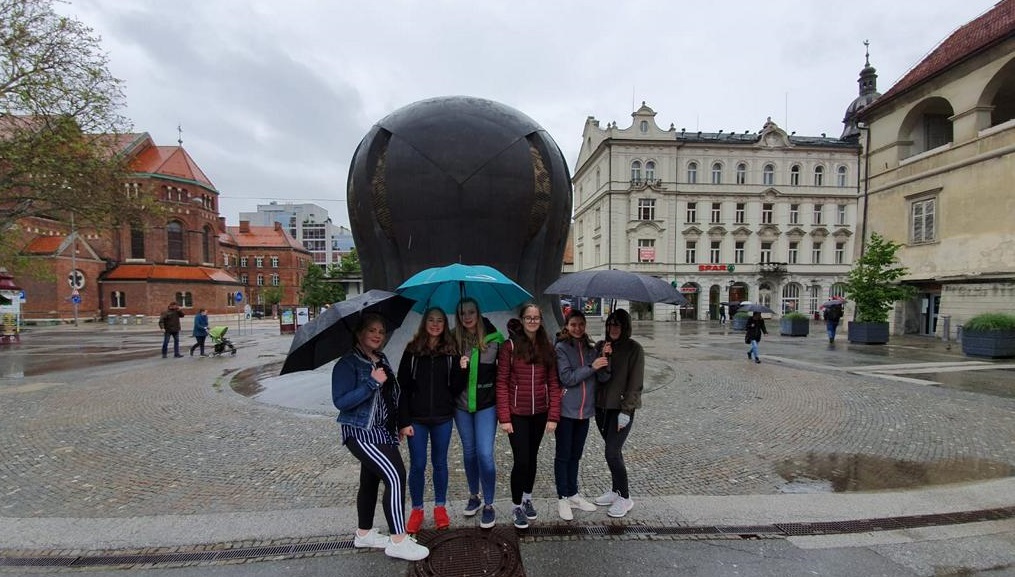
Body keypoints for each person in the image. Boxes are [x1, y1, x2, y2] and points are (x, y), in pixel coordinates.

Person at [332, 312, 428, 561]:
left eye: (381, 331)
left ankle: (364, 534)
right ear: (359, 332)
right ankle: (398, 540)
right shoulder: (347, 363)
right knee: (396, 475)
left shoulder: (381, 358)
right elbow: (340, 401)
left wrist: (399, 424)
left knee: (370, 481)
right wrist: (371, 383)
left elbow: (391, 395)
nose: (377, 335)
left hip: (382, 431)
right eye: (372, 330)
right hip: (361, 432)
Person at [397, 307, 465, 534]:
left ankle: (440, 507)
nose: (435, 324)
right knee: (417, 464)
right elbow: (403, 387)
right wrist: (403, 421)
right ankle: (417, 509)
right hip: (416, 418)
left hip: (443, 417)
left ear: (445, 325)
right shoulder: (412, 350)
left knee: (440, 463)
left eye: (440, 321)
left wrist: (462, 369)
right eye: (431, 320)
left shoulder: (452, 351)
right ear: (424, 323)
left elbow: (455, 388)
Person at [496, 302, 561, 530]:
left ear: (540, 321)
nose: (532, 321)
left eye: (536, 318)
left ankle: (527, 498)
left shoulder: (546, 346)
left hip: (540, 413)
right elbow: (502, 383)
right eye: (528, 317)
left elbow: (553, 382)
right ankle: (516, 505)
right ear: (522, 320)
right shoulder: (510, 347)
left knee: (532, 458)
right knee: (521, 460)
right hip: (517, 414)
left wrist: (553, 415)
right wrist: (504, 417)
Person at [452, 298, 505, 529]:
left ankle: (489, 504)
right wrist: (459, 367)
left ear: (478, 313)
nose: (467, 317)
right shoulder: (453, 340)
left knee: (485, 454)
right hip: (461, 406)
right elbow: (446, 375)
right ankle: (474, 495)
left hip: (486, 405)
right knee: (469, 454)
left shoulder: (495, 339)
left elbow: (504, 374)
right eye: (462, 313)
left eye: (471, 312)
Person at [554, 309, 609, 520]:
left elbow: (602, 378)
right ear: (567, 326)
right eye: (573, 324)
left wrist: (605, 357)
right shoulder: (561, 348)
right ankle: (562, 497)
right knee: (563, 455)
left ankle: (573, 494)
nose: (577, 328)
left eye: (581, 324)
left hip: (585, 412)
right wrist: (591, 367)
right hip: (566, 411)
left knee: (576, 455)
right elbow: (567, 378)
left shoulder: (591, 348)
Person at [593, 308, 642, 518]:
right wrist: (604, 356)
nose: (613, 328)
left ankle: (625, 497)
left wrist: (627, 411)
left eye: (618, 325)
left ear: (625, 327)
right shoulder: (601, 346)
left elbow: (635, 383)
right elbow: (598, 377)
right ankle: (616, 490)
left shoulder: (634, 349)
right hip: (601, 409)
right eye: (610, 324)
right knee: (613, 451)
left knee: (612, 452)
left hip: (621, 409)